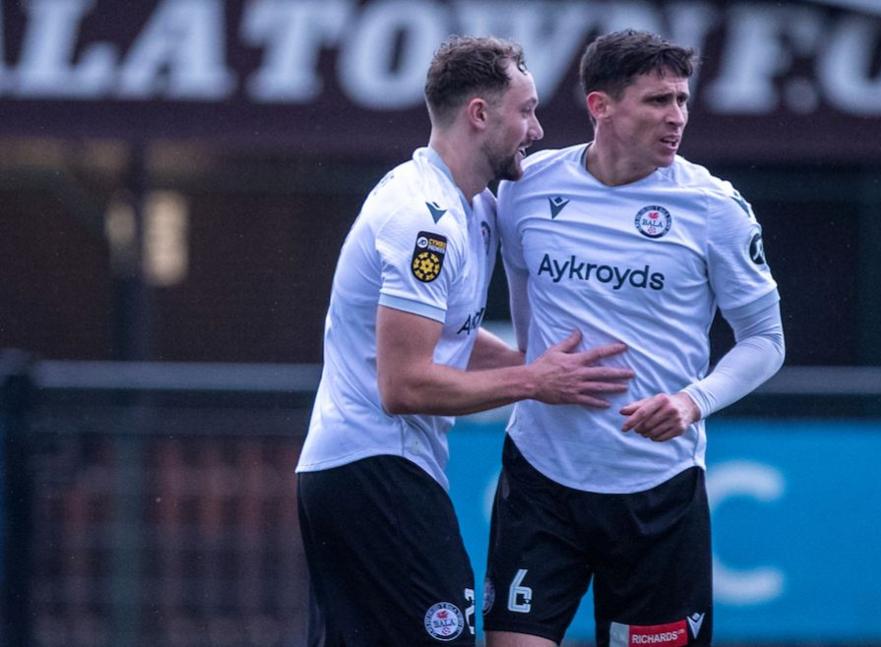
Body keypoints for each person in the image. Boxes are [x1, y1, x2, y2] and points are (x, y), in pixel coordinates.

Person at [295, 36, 634, 646]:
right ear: (480, 113)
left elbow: (450, 331)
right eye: (526, 110)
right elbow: (403, 385)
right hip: (374, 470)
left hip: (364, 471)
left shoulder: (470, 205)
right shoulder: (426, 219)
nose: (536, 129)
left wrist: (546, 370)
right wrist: (534, 382)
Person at [485, 30, 786, 647]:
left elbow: (765, 341)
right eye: (656, 101)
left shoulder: (714, 208)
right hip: (541, 479)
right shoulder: (526, 186)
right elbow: (526, 319)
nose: (676, 117)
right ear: (601, 107)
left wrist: (690, 401)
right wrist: (534, 373)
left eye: (681, 99)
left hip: (657, 492)